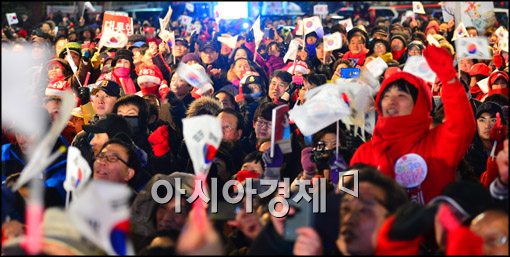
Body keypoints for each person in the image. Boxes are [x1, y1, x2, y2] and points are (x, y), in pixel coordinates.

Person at [350, 45, 476, 203]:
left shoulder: (435, 144)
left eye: (401, 95)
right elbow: (348, 198)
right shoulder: (365, 152)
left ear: (420, 105)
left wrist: (449, 79)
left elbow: (462, 126)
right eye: (386, 95)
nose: (391, 101)